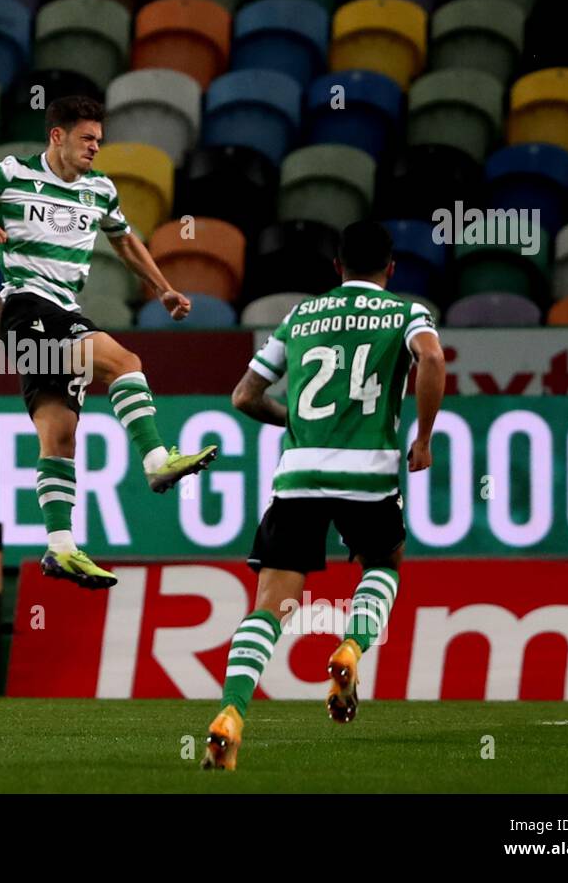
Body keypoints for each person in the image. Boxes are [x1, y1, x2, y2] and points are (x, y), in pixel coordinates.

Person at [0, 95, 217, 590]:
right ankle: (155, 461)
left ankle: (60, 547)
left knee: (59, 437)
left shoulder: (100, 190)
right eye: (87, 138)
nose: (94, 149)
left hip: (58, 314)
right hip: (27, 310)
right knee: (124, 360)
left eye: (100, 141)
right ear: (57, 136)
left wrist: (163, 287)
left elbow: (125, 240)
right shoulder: (14, 173)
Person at [202, 220, 446, 770]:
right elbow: (431, 359)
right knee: (383, 562)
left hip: (300, 475)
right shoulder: (406, 312)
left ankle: (231, 714)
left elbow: (244, 396)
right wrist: (423, 437)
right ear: (391, 268)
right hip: (370, 475)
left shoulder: (301, 315)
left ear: (336, 267)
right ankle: (351, 647)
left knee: (271, 605)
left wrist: (297, 422)